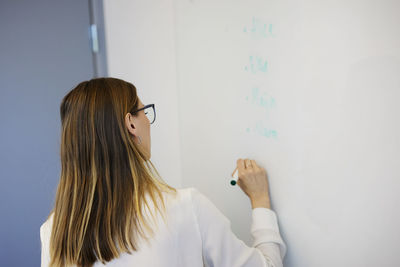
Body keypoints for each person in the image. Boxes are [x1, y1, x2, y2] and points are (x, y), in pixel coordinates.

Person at [40, 77, 287, 267]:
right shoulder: (184, 208)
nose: (148, 121)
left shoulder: (53, 230)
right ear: (131, 124)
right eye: (144, 111)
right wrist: (260, 200)